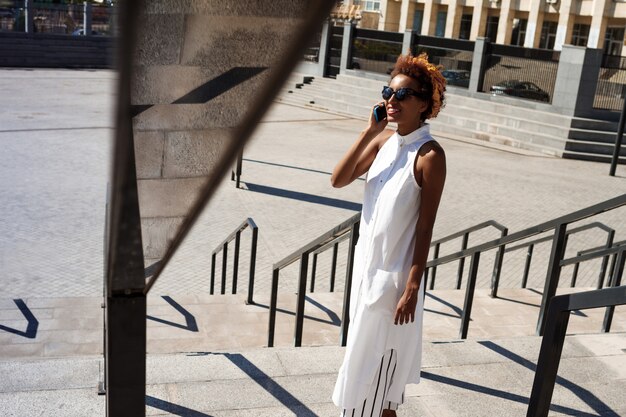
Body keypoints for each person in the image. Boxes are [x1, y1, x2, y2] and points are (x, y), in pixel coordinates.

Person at [330, 53, 447, 417]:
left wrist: (412, 288)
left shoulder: (429, 155)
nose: (391, 102)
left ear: (425, 104)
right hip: (365, 275)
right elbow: (338, 179)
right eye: (388, 93)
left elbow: (426, 227)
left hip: (393, 283)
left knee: (375, 384)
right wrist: (370, 132)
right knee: (376, 387)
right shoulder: (382, 144)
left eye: (403, 95)